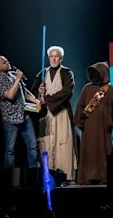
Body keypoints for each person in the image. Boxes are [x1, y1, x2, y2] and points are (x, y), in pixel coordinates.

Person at [30, 46, 77, 181]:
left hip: (61, 113)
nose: (54, 59)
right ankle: (47, 175)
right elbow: (32, 93)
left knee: (62, 143)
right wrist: (39, 92)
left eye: (56, 56)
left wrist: (48, 99)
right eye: (51, 56)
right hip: (46, 114)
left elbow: (67, 92)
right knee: (46, 143)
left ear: (61, 58)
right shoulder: (42, 73)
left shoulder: (67, 73)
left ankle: (65, 176)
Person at [0, 56, 41, 169]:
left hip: (24, 116)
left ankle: (33, 172)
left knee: (32, 145)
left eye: (7, 60)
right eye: (4, 62)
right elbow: (10, 95)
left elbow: (25, 92)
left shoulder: (13, 74)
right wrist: (18, 79)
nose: (8, 62)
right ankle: (9, 176)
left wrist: (35, 100)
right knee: (10, 149)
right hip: (10, 119)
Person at [74, 61, 113, 184]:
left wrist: (109, 122)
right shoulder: (87, 88)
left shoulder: (110, 89)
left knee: (103, 151)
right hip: (89, 127)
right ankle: (87, 177)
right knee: (89, 151)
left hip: (103, 127)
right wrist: (80, 122)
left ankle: (103, 177)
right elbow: (81, 106)